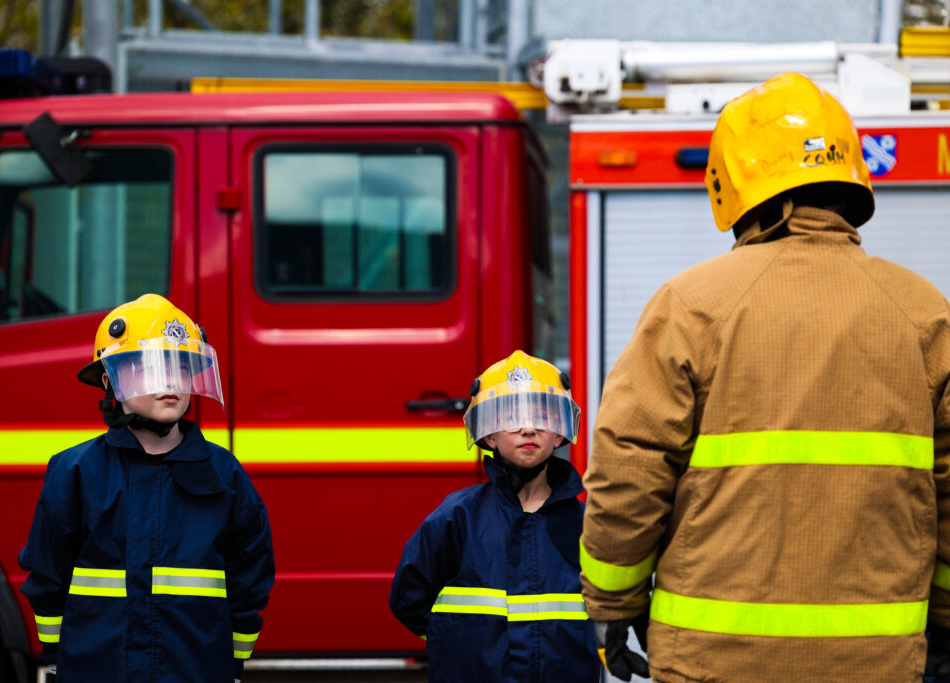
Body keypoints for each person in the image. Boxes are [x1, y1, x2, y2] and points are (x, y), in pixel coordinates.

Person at [579, 72, 950, 682]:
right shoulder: (923, 311)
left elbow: (631, 465)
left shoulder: (691, 304)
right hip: (876, 662)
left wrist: (613, 603)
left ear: (735, 185)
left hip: (712, 660)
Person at [18, 293, 275, 683]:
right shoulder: (75, 472)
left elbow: (250, 578)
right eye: (150, 367)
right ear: (110, 379)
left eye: (180, 367)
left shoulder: (225, 476)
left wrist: (232, 664)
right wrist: (57, 662)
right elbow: (48, 578)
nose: (169, 381)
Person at [389, 350, 599, 682]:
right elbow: (408, 599)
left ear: (559, 432)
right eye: (512, 417)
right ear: (489, 435)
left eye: (542, 417)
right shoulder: (457, 517)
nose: (528, 428)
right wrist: (456, 645)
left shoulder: (586, 525)